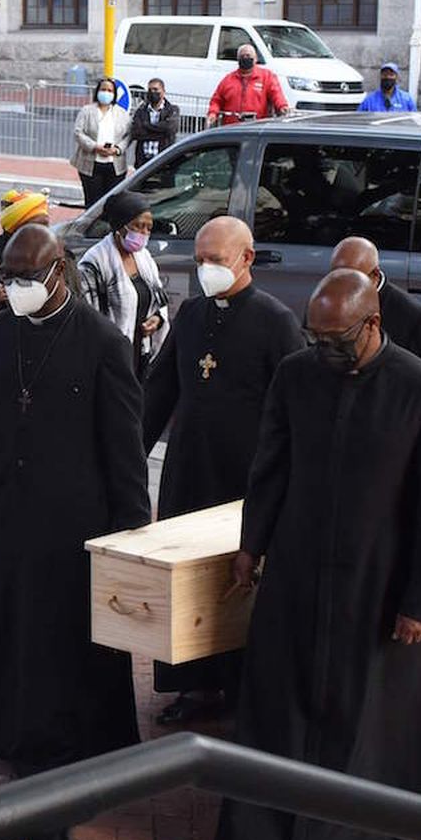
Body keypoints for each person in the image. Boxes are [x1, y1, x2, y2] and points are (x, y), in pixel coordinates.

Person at [213, 270, 421, 840]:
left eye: (337, 338)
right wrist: (252, 545)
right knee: (279, 706)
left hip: (378, 584)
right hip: (298, 572)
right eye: (314, 336)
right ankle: (259, 839)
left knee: (365, 715)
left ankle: (352, 833)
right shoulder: (297, 375)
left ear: (373, 323)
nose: (323, 349)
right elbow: (270, 466)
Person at [0, 224, 151, 774]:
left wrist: (130, 532)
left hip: (78, 521)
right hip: (12, 511)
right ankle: (8, 727)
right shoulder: (0, 335)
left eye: (26, 278)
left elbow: (126, 450)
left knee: (69, 636)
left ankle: (74, 740)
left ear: (57, 271)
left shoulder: (102, 343)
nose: (16, 288)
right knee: (13, 625)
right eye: (8, 278)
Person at [142, 215, 303, 724]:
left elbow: (294, 404)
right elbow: (159, 388)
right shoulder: (190, 313)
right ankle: (193, 685)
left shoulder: (275, 320)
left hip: (243, 473)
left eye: (215, 260)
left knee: (236, 578)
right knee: (186, 579)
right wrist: (130, 450)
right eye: (200, 261)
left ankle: (237, 685)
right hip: (189, 467)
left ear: (246, 258)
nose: (206, 269)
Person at [77, 189, 170, 377]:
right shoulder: (94, 263)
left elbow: (158, 298)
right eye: (137, 226)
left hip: (141, 352)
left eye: (148, 228)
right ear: (120, 226)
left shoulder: (144, 258)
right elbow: (88, 318)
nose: (144, 233)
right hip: (110, 358)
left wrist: (158, 319)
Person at [328, 235, 421, 363]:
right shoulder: (322, 304)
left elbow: (420, 377)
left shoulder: (414, 317)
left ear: (375, 275)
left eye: (353, 280)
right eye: (337, 278)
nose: (343, 288)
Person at [72, 77, 131, 208]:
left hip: (114, 166)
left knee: (112, 203)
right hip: (91, 165)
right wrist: (94, 147)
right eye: (103, 89)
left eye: (110, 90)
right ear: (97, 91)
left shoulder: (122, 113)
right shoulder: (87, 111)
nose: (106, 92)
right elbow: (78, 132)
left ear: (114, 94)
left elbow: (129, 135)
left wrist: (117, 149)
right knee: (92, 202)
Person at [0, 188, 51, 290]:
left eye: (45, 226)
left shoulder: (53, 255)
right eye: (35, 228)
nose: (43, 233)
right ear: (17, 230)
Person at [206, 44, 289, 128]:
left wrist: (282, 106)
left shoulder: (267, 76)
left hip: (257, 127)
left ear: (255, 59)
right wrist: (212, 113)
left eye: (248, 55)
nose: (245, 58)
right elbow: (216, 100)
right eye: (242, 56)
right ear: (238, 60)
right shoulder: (228, 79)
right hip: (231, 129)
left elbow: (277, 94)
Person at [129, 78, 181, 167]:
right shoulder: (141, 111)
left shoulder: (172, 110)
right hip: (143, 161)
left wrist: (146, 126)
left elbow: (170, 129)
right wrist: (160, 133)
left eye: (156, 89)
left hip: (164, 161)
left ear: (163, 92)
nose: (152, 92)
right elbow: (136, 132)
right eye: (150, 90)